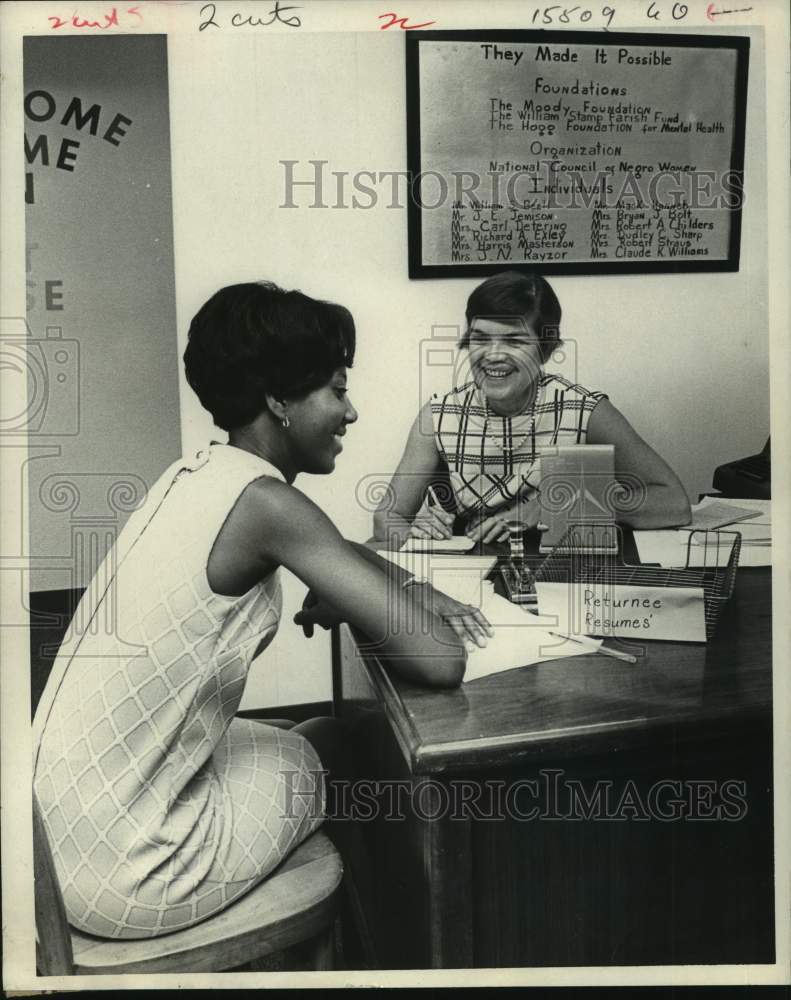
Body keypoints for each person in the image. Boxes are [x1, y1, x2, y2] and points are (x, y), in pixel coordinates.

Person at [32, 281, 490, 941]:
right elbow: (441, 660)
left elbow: (333, 552)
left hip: (57, 832)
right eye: (336, 390)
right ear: (279, 400)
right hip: (125, 871)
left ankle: (371, 934)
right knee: (330, 754)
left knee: (319, 737)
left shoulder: (198, 476)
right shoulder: (270, 506)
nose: (350, 412)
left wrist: (396, 585)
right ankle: (389, 944)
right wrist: (388, 598)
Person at [373, 271, 691, 546]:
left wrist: (558, 505)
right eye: (480, 339)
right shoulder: (438, 415)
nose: (493, 356)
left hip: (561, 571)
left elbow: (673, 502)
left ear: (545, 350)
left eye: (514, 341)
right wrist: (412, 530)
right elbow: (387, 518)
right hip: (472, 574)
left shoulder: (584, 410)